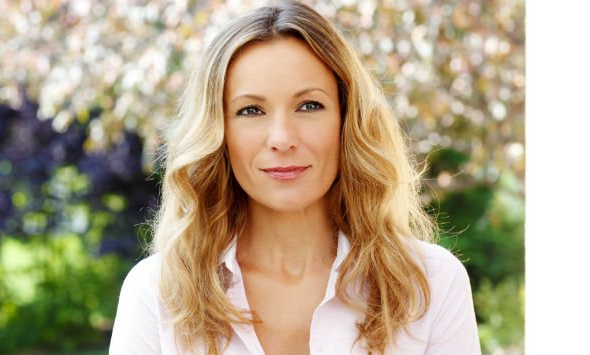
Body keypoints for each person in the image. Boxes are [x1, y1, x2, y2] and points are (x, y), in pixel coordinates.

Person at [109, 1, 480, 354]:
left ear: (346, 121)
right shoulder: (158, 292)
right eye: (250, 110)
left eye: (309, 105)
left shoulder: (430, 283)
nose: (282, 139)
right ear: (218, 132)